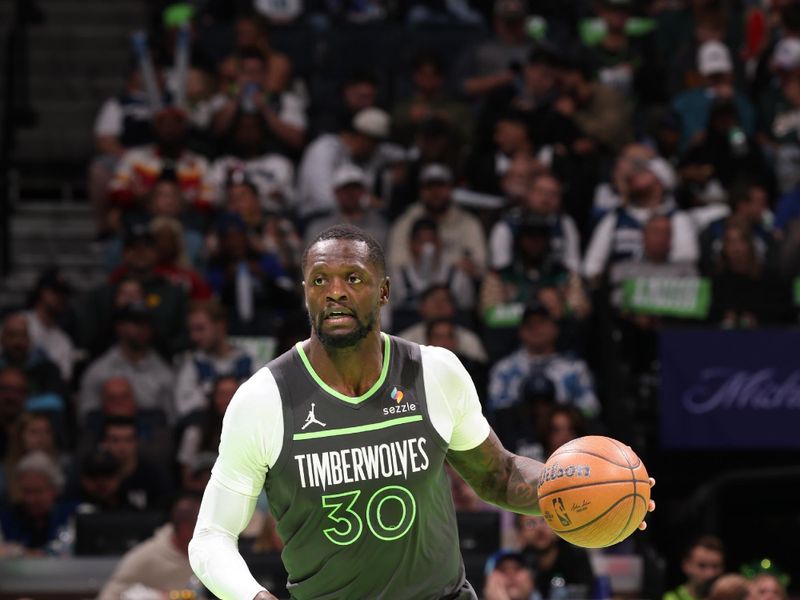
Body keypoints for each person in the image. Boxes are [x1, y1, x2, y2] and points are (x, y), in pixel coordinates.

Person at [188, 224, 655, 599]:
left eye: (353, 278)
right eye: (319, 280)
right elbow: (209, 538)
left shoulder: (435, 371)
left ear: (385, 291)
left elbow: (501, 476)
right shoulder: (263, 398)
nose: (335, 292)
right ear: (305, 292)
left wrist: (574, 485)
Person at [98, 493, 202, 600]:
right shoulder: (146, 556)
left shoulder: (208, 553)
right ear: (185, 529)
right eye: (203, 527)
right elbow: (109, 595)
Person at [175, 301, 253, 419]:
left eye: (200, 329)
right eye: (191, 330)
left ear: (220, 326)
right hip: (207, 430)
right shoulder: (192, 364)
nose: (194, 337)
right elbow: (183, 407)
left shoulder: (249, 360)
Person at [515, 514, 595, 600]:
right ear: (521, 534)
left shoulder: (576, 556)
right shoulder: (520, 564)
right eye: (530, 524)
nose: (539, 528)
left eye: (545, 521)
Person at [664, 535, 725, 600]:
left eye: (715, 566)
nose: (710, 574)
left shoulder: (729, 597)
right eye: (702, 566)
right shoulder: (671, 598)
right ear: (686, 565)